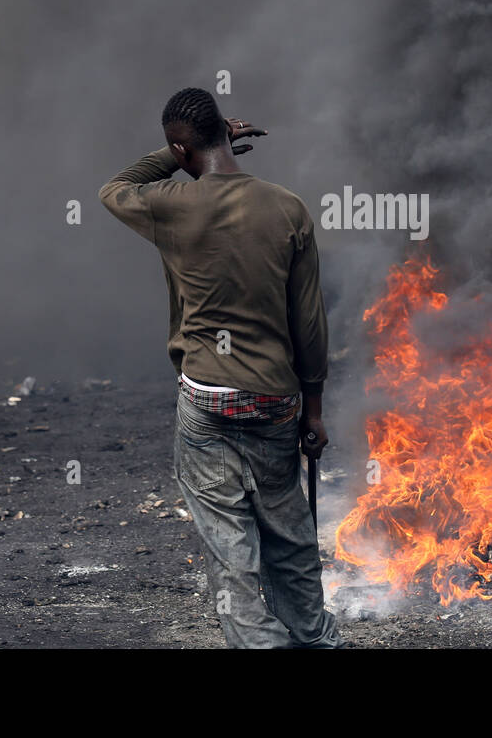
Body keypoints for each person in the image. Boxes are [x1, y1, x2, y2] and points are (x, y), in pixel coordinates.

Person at [98, 86, 340, 648]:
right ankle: (316, 639)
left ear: (182, 149)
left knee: (232, 549)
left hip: (206, 400)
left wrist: (176, 155)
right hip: (276, 401)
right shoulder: (288, 208)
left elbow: (114, 189)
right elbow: (309, 324)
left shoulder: (171, 206)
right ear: (225, 138)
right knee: (291, 537)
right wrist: (315, 410)